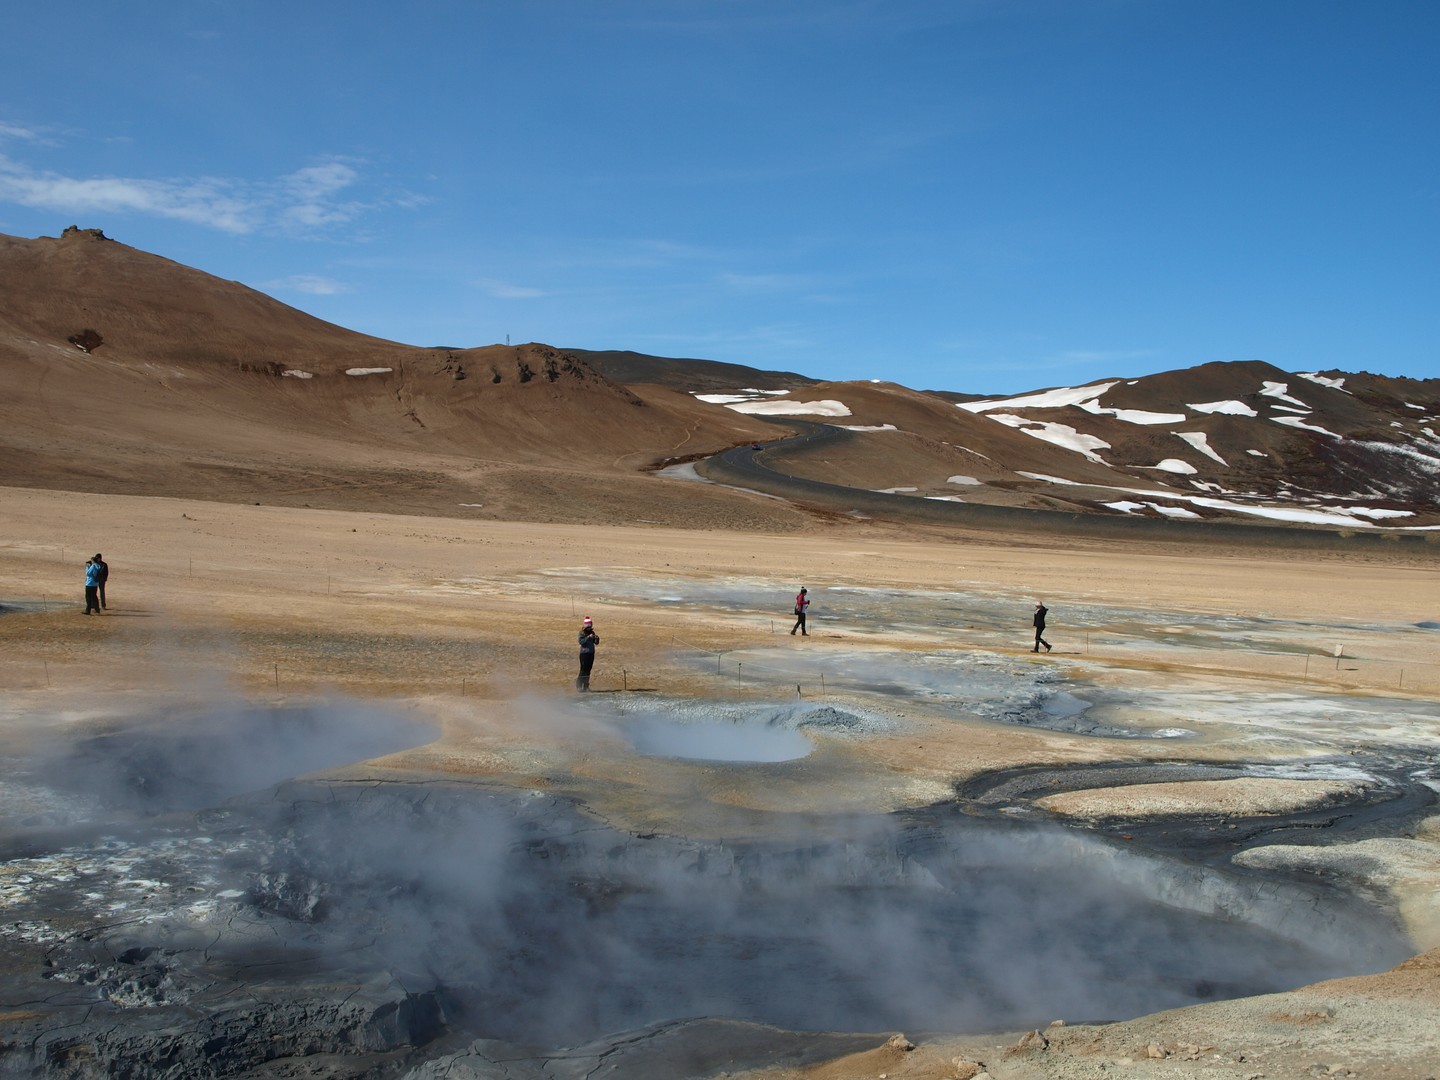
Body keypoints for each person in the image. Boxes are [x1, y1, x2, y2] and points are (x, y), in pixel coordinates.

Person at [576, 616, 600, 691]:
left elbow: (595, 643)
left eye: (590, 626)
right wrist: (588, 637)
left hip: (591, 653)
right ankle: (579, 686)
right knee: (583, 670)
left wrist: (596, 639)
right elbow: (581, 642)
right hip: (584, 654)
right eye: (588, 627)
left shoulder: (592, 632)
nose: (590, 628)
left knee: (588, 670)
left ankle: (586, 686)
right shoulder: (581, 633)